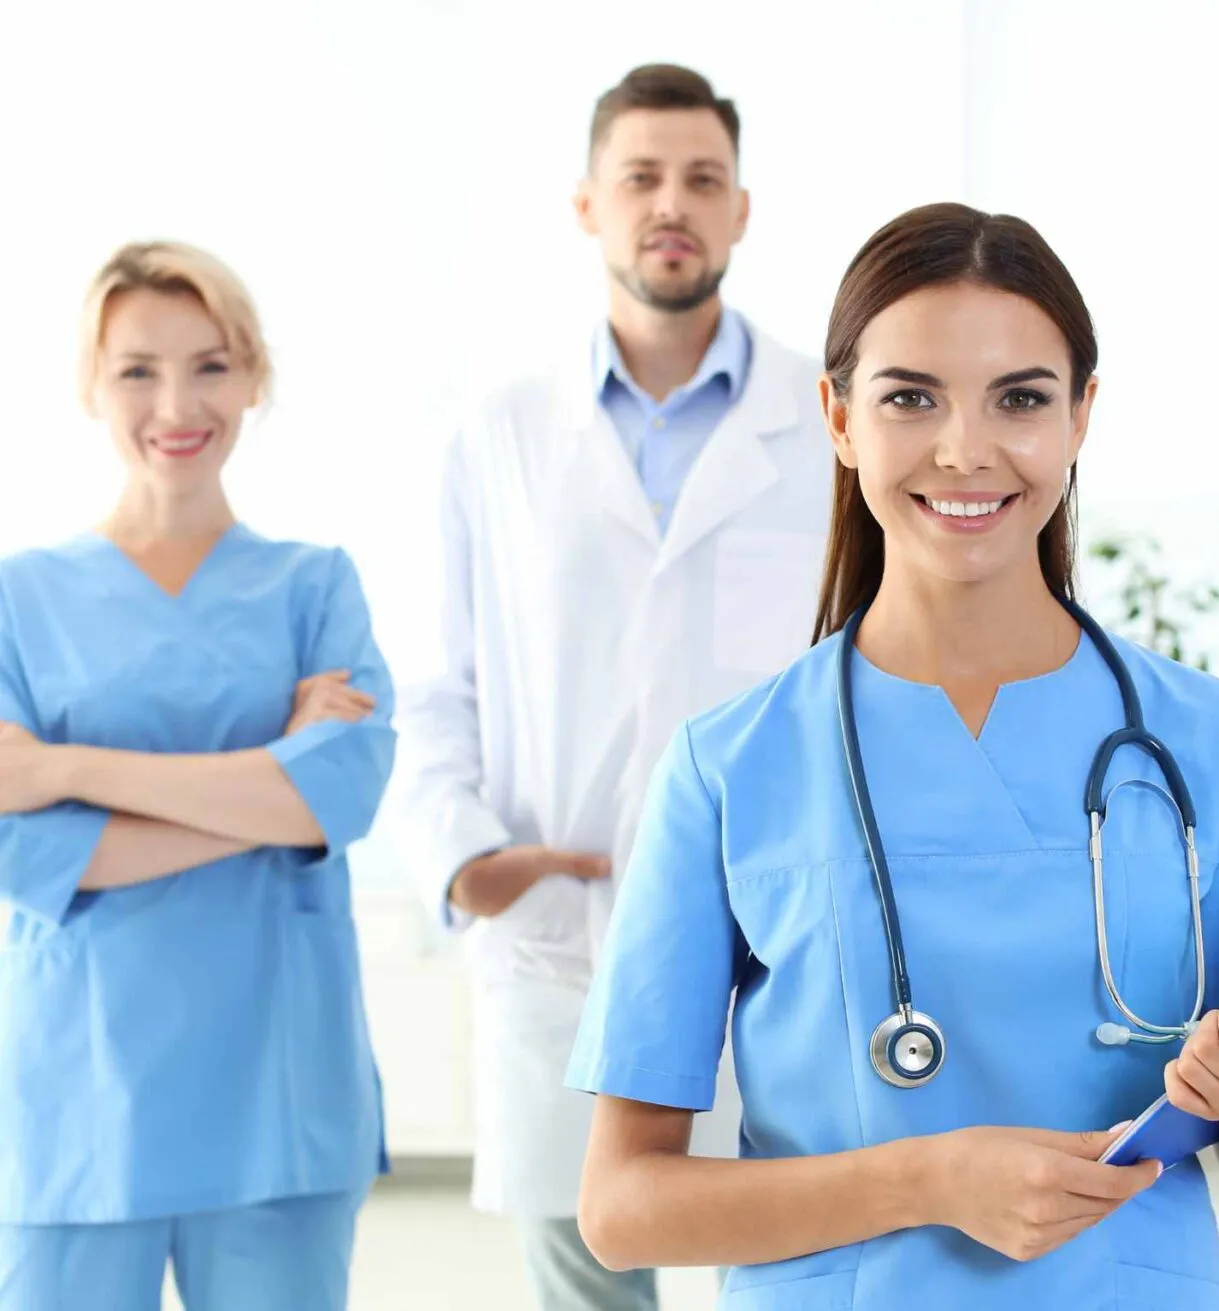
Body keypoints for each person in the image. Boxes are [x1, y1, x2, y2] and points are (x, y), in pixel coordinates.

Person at [567, 202, 1219, 1308]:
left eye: (1019, 398)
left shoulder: (1214, 741)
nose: (964, 449)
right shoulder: (729, 768)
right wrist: (926, 1179)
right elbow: (622, 1207)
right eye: (909, 398)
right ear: (836, 419)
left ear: (1080, 418)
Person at [385, 64, 832, 1310]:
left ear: (742, 209)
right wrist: (467, 859)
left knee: (795, 1252)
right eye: (639, 177)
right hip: (560, 932)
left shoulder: (831, 418)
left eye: (701, 178)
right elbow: (437, 686)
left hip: (777, 927)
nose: (669, 204)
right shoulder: (499, 437)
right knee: (585, 1275)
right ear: (587, 204)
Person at [0, 242, 395, 1310]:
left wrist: (67, 767)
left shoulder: (315, 586)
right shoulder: (19, 599)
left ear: (254, 376)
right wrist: (272, 791)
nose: (177, 401)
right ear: (89, 386)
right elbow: (18, 846)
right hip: (80, 1101)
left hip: (278, 1092)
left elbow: (342, 793)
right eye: (137, 369)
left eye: (211, 364)